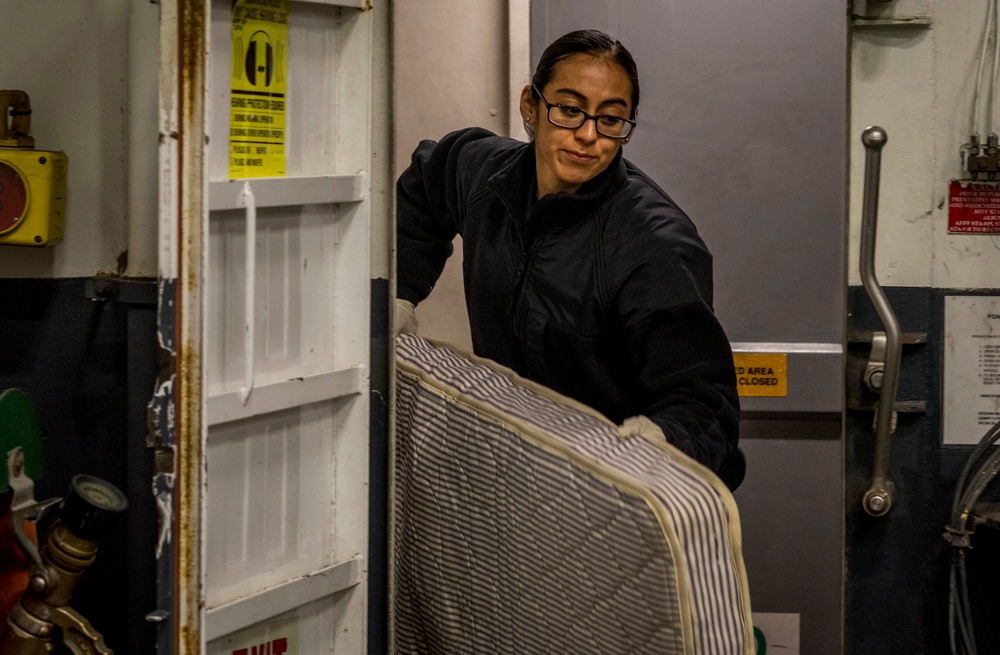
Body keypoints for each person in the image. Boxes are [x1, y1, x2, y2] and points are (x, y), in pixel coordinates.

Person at [395, 29, 745, 490]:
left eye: (610, 119)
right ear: (530, 106)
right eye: (569, 109)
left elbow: (706, 408)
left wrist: (661, 442)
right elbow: (426, 183)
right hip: (510, 466)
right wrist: (398, 293)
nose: (587, 135)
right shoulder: (485, 175)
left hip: (608, 490)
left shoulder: (654, 246)